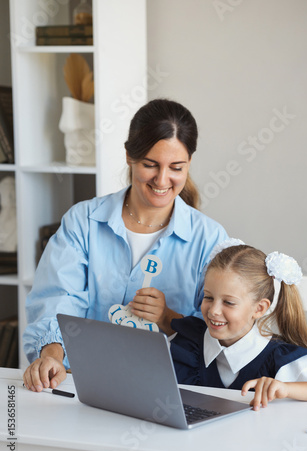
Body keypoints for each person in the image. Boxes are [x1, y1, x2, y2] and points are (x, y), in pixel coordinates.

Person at [23, 98, 228, 392]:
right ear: (130, 156)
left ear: (189, 164)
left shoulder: (210, 239)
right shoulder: (84, 221)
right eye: (150, 164)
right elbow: (58, 297)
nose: (162, 179)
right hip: (82, 383)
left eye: (176, 168)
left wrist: (169, 319)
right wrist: (52, 354)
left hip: (168, 389)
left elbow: (221, 331)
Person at [170, 239, 307, 410]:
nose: (213, 311)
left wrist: (286, 389)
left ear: (259, 308)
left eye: (228, 302)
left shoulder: (279, 359)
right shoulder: (186, 341)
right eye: (208, 297)